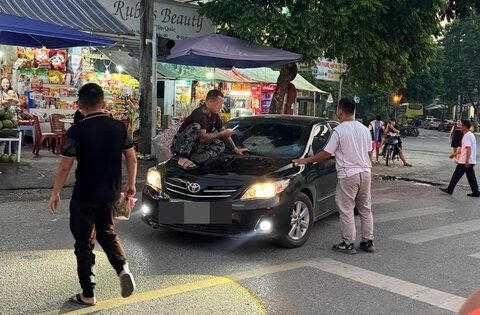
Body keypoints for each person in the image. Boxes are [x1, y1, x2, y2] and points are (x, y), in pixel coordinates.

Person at [48, 83, 138, 306]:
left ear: (79, 106)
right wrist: (131, 184)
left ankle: (88, 293)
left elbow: (64, 167)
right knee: (107, 233)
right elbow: (132, 157)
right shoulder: (119, 128)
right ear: (103, 103)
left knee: (83, 243)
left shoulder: (76, 131)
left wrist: (55, 193)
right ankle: (122, 269)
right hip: (111, 192)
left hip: (85, 194)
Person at [293, 98, 375, 254]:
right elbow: (369, 153)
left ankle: (348, 243)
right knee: (365, 208)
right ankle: (368, 241)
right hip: (365, 172)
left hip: (348, 174)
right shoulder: (364, 129)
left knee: (346, 208)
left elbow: (326, 153)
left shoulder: (339, 130)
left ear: (341, 111)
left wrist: (307, 160)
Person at [171, 89, 247, 170]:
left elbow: (224, 131)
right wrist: (222, 134)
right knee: (195, 127)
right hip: (181, 144)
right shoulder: (200, 113)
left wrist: (235, 148)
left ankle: (196, 157)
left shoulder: (215, 115)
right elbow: (203, 138)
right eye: (219, 104)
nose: (221, 107)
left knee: (220, 144)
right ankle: (182, 158)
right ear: (210, 102)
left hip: (196, 145)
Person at [440, 119, 480, 197]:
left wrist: (467, 161)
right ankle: (476, 192)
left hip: (465, 161)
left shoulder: (467, 136)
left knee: (456, 175)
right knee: (471, 177)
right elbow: (463, 149)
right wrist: (454, 154)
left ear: (465, 126)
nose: (459, 126)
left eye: (461, 125)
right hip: (469, 161)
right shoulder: (470, 135)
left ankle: (449, 189)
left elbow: (468, 149)